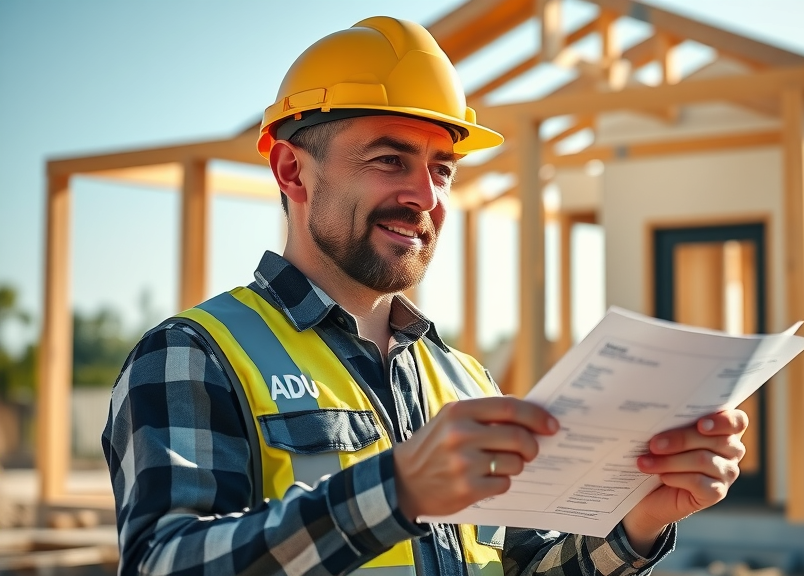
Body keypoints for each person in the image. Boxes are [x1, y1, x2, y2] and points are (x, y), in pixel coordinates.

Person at [102, 16, 748, 576]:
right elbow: (166, 562)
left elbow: (522, 564)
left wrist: (639, 521)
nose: (426, 196)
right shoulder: (195, 355)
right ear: (293, 170)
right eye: (389, 160)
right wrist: (397, 490)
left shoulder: (465, 379)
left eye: (441, 169)